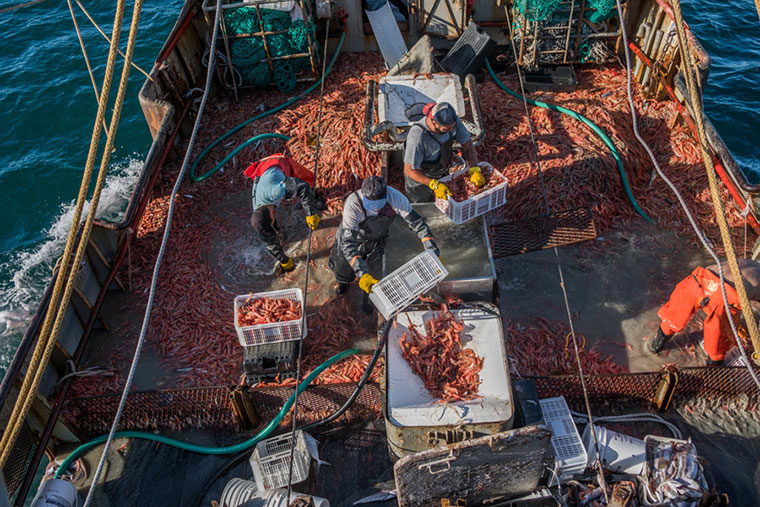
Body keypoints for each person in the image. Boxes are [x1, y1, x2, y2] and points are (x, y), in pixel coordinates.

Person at [329, 176, 439, 295]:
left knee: (374, 268)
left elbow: (417, 223)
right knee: (344, 268)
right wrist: (362, 273)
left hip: (377, 237)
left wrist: (432, 249)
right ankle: (343, 283)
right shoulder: (353, 203)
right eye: (371, 205)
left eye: (379, 204)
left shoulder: (396, 198)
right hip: (354, 239)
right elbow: (348, 243)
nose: (376, 209)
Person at [650, 259, 760, 365]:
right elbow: (755, 310)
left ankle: (655, 345)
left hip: (700, 278)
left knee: (674, 315)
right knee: (718, 340)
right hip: (724, 296)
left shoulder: (751, 263)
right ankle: (712, 369)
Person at [245, 153, 320, 273]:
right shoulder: (258, 216)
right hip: (264, 176)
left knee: (308, 180)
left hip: (276, 163)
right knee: (272, 230)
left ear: (272, 216)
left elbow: (302, 187)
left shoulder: (275, 192)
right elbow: (268, 242)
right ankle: (279, 232)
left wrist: (310, 213)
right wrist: (284, 260)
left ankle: (317, 195)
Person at [402, 101, 482, 203]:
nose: (451, 130)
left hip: (440, 166)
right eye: (446, 129)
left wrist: (474, 168)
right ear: (434, 122)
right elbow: (409, 170)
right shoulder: (417, 137)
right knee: (421, 199)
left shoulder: (453, 122)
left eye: (452, 127)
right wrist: (434, 184)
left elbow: (467, 144)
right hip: (420, 173)